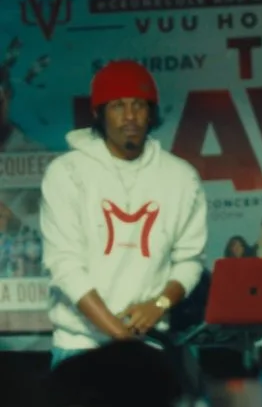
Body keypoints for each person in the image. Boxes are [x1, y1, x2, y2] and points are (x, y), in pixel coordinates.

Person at [40, 60, 208, 366]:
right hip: (79, 347)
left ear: (151, 112)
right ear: (99, 113)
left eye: (139, 105)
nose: (130, 116)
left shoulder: (182, 178)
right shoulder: (66, 173)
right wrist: (122, 338)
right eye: (118, 105)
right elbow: (65, 266)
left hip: (151, 346)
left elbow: (190, 260)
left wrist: (159, 304)